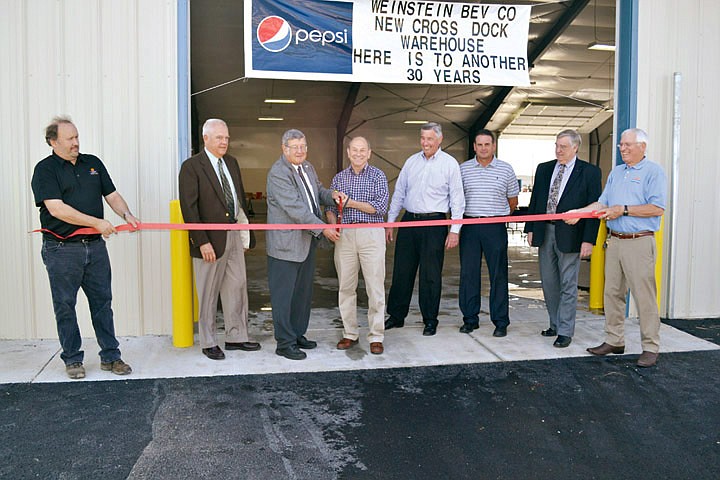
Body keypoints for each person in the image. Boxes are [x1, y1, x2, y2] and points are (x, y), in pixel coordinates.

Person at [31, 116, 138, 379]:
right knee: (65, 305)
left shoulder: (93, 163)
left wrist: (127, 215)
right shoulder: (45, 170)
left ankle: (111, 356)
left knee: (103, 303)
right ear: (53, 142)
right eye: (69, 139)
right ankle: (72, 359)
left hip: (95, 248)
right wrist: (97, 223)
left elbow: (112, 195)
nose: (76, 142)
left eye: (77, 137)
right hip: (61, 249)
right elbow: (57, 209)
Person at [566, 128, 666, 367]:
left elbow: (657, 208)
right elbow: (603, 204)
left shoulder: (653, 172)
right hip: (615, 241)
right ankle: (614, 340)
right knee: (612, 293)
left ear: (642, 146)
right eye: (621, 144)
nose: (623, 148)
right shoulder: (617, 172)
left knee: (644, 297)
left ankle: (650, 347)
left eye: (628, 144)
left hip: (639, 242)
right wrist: (580, 212)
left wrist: (624, 210)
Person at [178, 118, 260, 361]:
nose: (224, 142)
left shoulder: (231, 163)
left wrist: (244, 234)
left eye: (226, 138)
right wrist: (201, 241)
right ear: (206, 138)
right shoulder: (192, 167)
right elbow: (189, 208)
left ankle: (236, 336)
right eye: (219, 138)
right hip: (209, 240)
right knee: (208, 293)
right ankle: (209, 341)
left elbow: (239, 200)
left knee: (237, 287)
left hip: (233, 234)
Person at [266, 129, 341, 360]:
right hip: (285, 246)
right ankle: (284, 343)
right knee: (284, 297)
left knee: (302, 294)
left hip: (306, 243)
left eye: (303, 146)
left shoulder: (307, 167)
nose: (300, 151)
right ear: (284, 149)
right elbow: (296, 209)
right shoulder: (278, 173)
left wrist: (332, 195)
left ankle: (297, 334)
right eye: (295, 147)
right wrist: (323, 228)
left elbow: (317, 192)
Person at [385, 122, 465, 336]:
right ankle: (396, 316)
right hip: (409, 221)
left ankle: (430, 319)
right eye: (422, 138)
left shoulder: (449, 164)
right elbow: (399, 193)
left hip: (434, 224)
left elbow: (457, 199)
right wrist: (391, 222)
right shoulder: (411, 161)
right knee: (402, 271)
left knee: (430, 274)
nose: (425, 142)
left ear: (439, 139)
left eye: (430, 138)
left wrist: (455, 229)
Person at [524, 129, 602, 348]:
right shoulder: (544, 169)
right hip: (545, 231)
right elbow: (535, 201)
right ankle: (555, 324)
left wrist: (589, 240)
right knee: (549, 283)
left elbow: (594, 208)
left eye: (564, 147)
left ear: (575, 148)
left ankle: (565, 331)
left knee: (568, 283)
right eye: (557, 146)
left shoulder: (589, 172)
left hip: (571, 234)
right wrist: (530, 228)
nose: (559, 150)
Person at [326, 137, 389, 355]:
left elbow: (380, 207)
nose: (358, 154)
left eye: (363, 150)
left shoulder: (378, 176)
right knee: (346, 286)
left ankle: (376, 336)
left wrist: (350, 202)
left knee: (375, 287)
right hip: (345, 235)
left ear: (369, 153)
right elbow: (330, 206)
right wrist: (332, 225)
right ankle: (350, 333)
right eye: (355, 150)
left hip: (371, 234)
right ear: (348, 152)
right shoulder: (339, 178)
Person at [459, 129, 519, 337]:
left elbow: (513, 201)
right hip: (470, 226)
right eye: (480, 144)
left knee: (498, 274)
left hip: (495, 226)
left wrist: (497, 217)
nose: (483, 148)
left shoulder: (506, 169)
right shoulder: (463, 169)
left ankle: (500, 321)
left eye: (487, 144)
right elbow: (456, 200)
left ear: (493, 146)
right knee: (469, 274)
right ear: (474, 147)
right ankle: (470, 319)